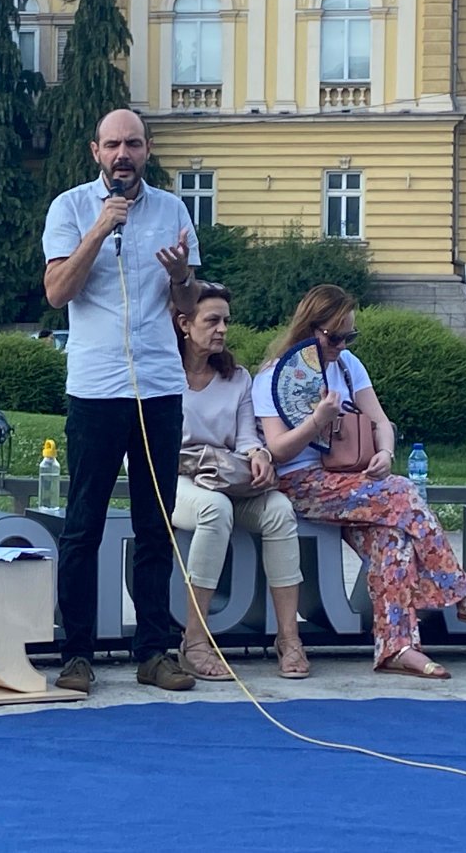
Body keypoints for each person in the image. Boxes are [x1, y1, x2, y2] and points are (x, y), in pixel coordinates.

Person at [251, 284, 466, 679]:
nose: (342, 345)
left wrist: (385, 452)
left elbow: (380, 421)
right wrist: (317, 421)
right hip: (302, 484)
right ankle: (464, 594)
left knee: (391, 539)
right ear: (310, 329)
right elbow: (277, 451)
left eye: (350, 336)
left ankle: (398, 648)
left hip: (352, 480)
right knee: (403, 491)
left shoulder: (348, 365)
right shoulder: (275, 376)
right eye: (334, 336)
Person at [42, 108, 201, 693]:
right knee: (82, 525)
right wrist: (100, 229)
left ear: (148, 149)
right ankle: (76, 655)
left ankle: (154, 651)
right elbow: (57, 292)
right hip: (96, 389)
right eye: (112, 145)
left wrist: (182, 277)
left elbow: (188, 305)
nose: (122, 155)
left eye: (132, 144)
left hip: (157, 386)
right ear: (96, 152)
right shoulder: (70, 208)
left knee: (155, 524)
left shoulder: (173, 210)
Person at [171, 282, 308, 680]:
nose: (222, 329)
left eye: (226, 321)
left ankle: (289, 639)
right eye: (212, 320)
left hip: (225, 476)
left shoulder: (237, 378)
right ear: (184, 323)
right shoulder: (161, 374)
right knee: (214, 510)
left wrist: (259, 454)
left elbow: (247, 437)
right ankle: (195, 641)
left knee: (279, 510)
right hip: (174, 478)